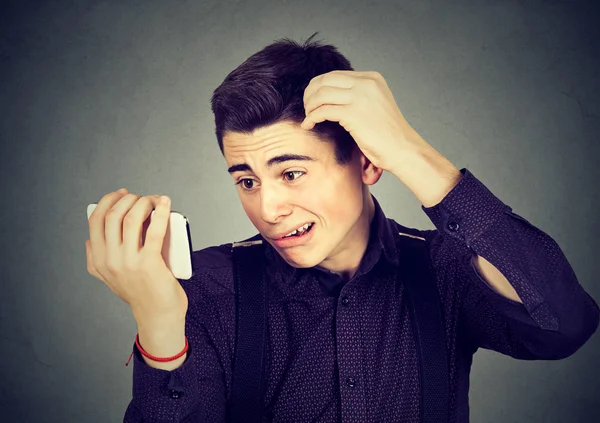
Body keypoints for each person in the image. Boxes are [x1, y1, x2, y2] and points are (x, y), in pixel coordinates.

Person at [86, 33, 599, 422]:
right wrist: (159, 325)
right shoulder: (204, 290)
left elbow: (564, 325)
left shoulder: (444, 269)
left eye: (291, 173)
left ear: (367, 164)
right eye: (246, 180)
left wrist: (409, 151)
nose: (268, 207)